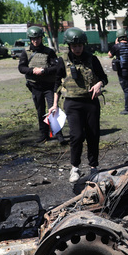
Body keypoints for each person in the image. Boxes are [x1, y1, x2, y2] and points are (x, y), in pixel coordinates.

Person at [48, 27, 108, 183]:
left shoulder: (92, 59)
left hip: (91, 103)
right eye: (74, 46)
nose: (77, 49)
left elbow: (104, 78)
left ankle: (94, 167)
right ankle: (75, 167)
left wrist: (99, 84)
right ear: (69, 46)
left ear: (84, 45)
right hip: (72, 103)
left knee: (93, 135)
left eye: (80, 45)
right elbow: (57, 84)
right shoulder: (63, 60)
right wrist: (54, 105)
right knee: (76, 136)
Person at [18, 26, 66, 144]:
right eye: (33, 39)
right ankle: (44, 134)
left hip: (49, 86)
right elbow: (21, 67)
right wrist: (32, 71)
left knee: (53, 110)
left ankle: (59, 135)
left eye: (38, 38)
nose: (36, 41)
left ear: (41, 38)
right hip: (35, 86)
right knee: (40, 111)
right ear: (30, 39)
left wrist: (44, 71)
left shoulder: (49, 52)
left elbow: (56, 67)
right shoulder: (26, 52)